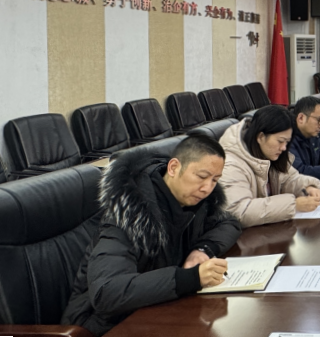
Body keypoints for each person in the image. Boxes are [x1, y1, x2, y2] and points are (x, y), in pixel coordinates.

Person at [61, 135, 243, 336]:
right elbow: (107, 293)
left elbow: (230, 223)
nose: (207, 188)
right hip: (104, 327)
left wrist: (202, 249)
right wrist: (190, 278)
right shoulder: (129, 217)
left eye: (215, 180)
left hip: (156, 312)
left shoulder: (195, 202)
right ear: (173, 168)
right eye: (201, 176)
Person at [219, 105, 320, 227]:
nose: (284, 147)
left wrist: (308, 187)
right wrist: (293, 205)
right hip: (245, 236)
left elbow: (289, 179)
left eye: (287, 142)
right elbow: (238, 211)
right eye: (280, 141)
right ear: (261, 137)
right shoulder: (230, 164)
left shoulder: (269, 153)